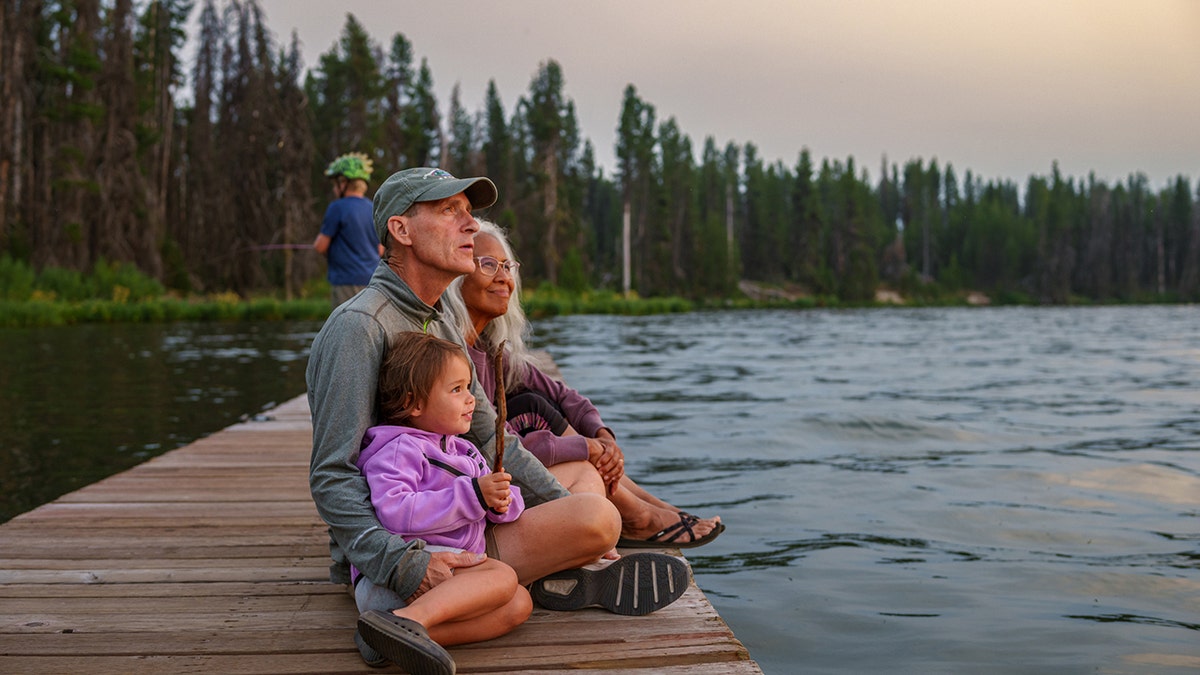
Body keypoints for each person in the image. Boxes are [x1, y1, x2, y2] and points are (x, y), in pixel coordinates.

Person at [305, 167, 689, 668]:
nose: (470, 225)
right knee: (597, 517)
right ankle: (408, 613)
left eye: (470, 212)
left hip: (457, 519)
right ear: (401, 231)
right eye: (449, 211)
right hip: (407, 550)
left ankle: (548, 576)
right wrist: (400, 563)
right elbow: (333, 475)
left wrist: (557, 511)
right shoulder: (359, 328)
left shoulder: (439, 315)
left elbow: (488, 431)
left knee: (576, 502)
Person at [444, 221, 724, 548]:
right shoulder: (453, 357)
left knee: (534, 403)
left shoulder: (491, 348)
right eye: (488, 264)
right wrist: (587, 447)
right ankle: (637, 517)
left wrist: (602, 436)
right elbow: (486, 450)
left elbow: (564, 395)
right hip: (476, 492)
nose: (504, 277)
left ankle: (649, 506)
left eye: (507, 266)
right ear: (456, 273)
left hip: (502, 475)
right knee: (582, 467)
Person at [355, 331, 529, 674]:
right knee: (503, 576)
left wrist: (501, 501)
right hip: (400, 576)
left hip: (448, 577)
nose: (471, 400)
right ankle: (406, 620)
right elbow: (395, 512)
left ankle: (387, 636)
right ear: (413, 403)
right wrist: (474, 495)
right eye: (457, 389)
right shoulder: (399, 449)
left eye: (468, 387)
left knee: (519, 604)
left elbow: (496, 505)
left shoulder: (464, 450)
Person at [312, 152, 384, 307]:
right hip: (373, 281)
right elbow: (381, 249)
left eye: (335, 184)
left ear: (343, 182)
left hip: (346, 281)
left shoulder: (337, 207)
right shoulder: (373, 209)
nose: (334, 189)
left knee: (345, 326)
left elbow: (320, 246)